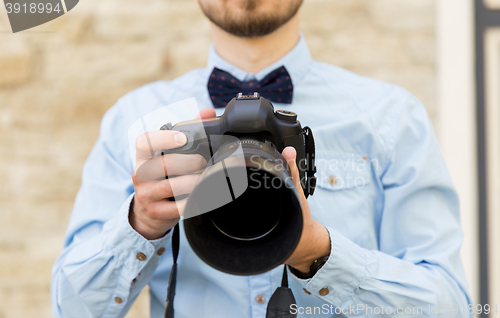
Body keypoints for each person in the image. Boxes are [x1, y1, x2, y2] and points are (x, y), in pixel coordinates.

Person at [51, 0, 472, 317]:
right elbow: (70, 308)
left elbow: (451, 305)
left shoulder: (391, 118)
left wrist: (319, 253)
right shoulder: (136, 123)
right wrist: (142, 224)